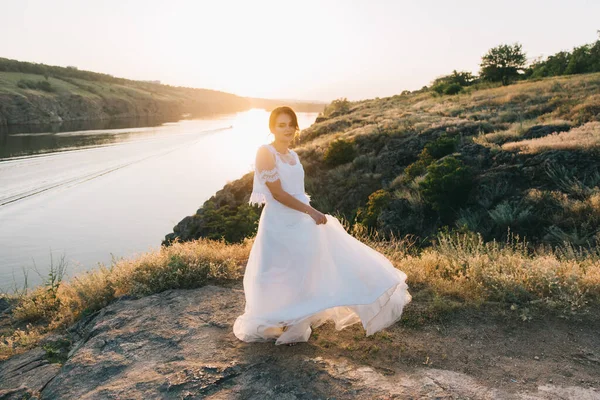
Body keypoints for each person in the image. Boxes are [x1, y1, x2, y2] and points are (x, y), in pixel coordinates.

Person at [233, 106, 411, 345]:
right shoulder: (266, 152)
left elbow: (296, 189)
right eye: (280, 125)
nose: (286, 130)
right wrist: (312, 211)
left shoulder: (293, 155)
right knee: (274, 270)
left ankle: (297, 317)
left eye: (290, 125)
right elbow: (277, 193)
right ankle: (270, 321)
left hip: (300, 218)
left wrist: (308, 213)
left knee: (305, 267)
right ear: (272, 128)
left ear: (296, 127)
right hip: (279, 222)